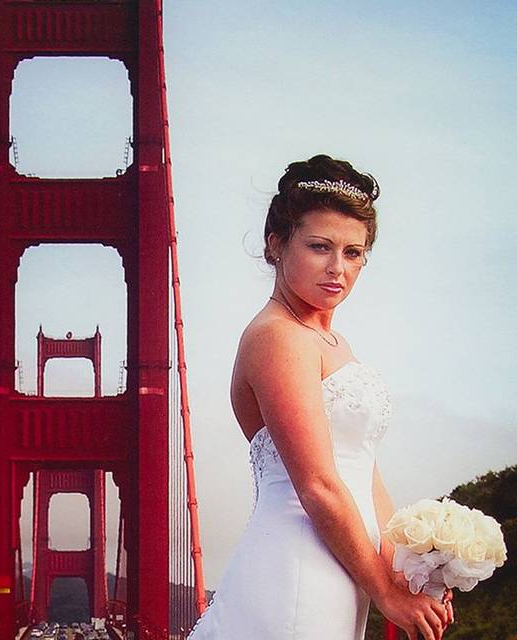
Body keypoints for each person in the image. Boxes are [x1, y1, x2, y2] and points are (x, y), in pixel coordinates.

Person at [187, 155, 453, 640]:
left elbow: (365, 474)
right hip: (297, 569)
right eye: (318, 247)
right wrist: (386, 595)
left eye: (354, 253)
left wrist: (406, 572)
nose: (338, 269)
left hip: (342, 572)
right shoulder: (277, 337)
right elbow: (318, 485)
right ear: (275, 245)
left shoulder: (332, 343)